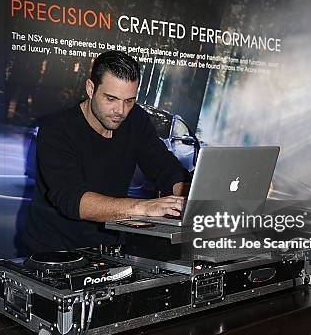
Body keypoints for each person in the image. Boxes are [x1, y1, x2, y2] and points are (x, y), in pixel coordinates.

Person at [22, 50, 189, 254]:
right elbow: (74, 200)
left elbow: (164, 167)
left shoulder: (136, 119)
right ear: (91, 89)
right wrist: (144, 208)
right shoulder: (57, 129)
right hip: (54, 252)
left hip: (110, 249)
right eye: (111, 99)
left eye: (129, 100)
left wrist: (192, 196)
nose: (121, 110)